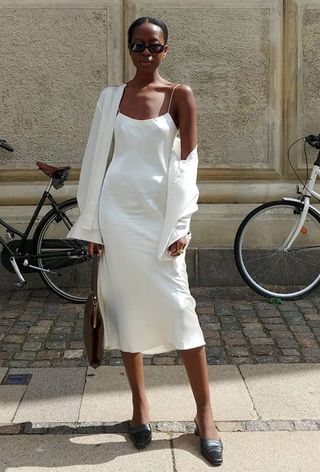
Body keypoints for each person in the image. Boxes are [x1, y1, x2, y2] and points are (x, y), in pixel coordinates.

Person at [68, 16, 223, 466]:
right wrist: (92, 224)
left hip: (160, 218)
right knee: (127, 310)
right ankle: (139, 406)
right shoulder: (110, 97)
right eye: (138, 46)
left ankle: (205, 414)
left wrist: (181, 225)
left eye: (154, 46)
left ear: (166, 50)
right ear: (129, 49)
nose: (146, 53)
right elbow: (96, 159)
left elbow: (188, 164)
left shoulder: (180, 95)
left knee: (180, 310)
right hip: (117, 217)